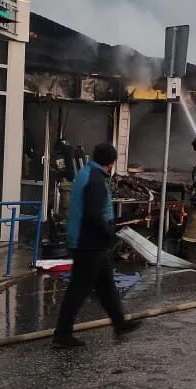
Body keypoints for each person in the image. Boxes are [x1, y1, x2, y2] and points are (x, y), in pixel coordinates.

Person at [52, 142, 140, 349]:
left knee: (106, 286)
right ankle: (62, 334)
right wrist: (109, 233)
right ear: (110, 162)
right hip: (89, 243)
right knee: (78, 290)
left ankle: (120, 323)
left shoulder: (87, 173)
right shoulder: (95, 180)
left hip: (91, 242)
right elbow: (94, 214)